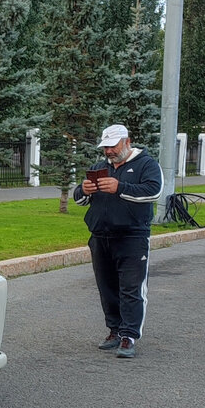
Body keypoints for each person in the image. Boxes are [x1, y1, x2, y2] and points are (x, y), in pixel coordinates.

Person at [72, 124, 163, 359]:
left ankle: (129, 335)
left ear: (127, 142)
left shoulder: (146, 164)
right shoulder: (99, 168)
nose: (109, 151)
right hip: (101, 236)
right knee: (107, 287)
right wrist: (84, 190)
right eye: (106, 147)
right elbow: (80, 200)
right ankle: (114, 330)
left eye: (113, 146)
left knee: (132, 288)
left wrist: (120, 187)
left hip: (132, 236)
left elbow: (154, 191)